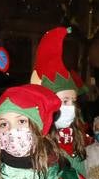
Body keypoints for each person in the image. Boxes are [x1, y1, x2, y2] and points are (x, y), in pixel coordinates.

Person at [31, 27, 87, 170]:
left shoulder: (74, 138)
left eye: (73, 101)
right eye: (64, 101)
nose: (71, 107)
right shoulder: (30, 140)